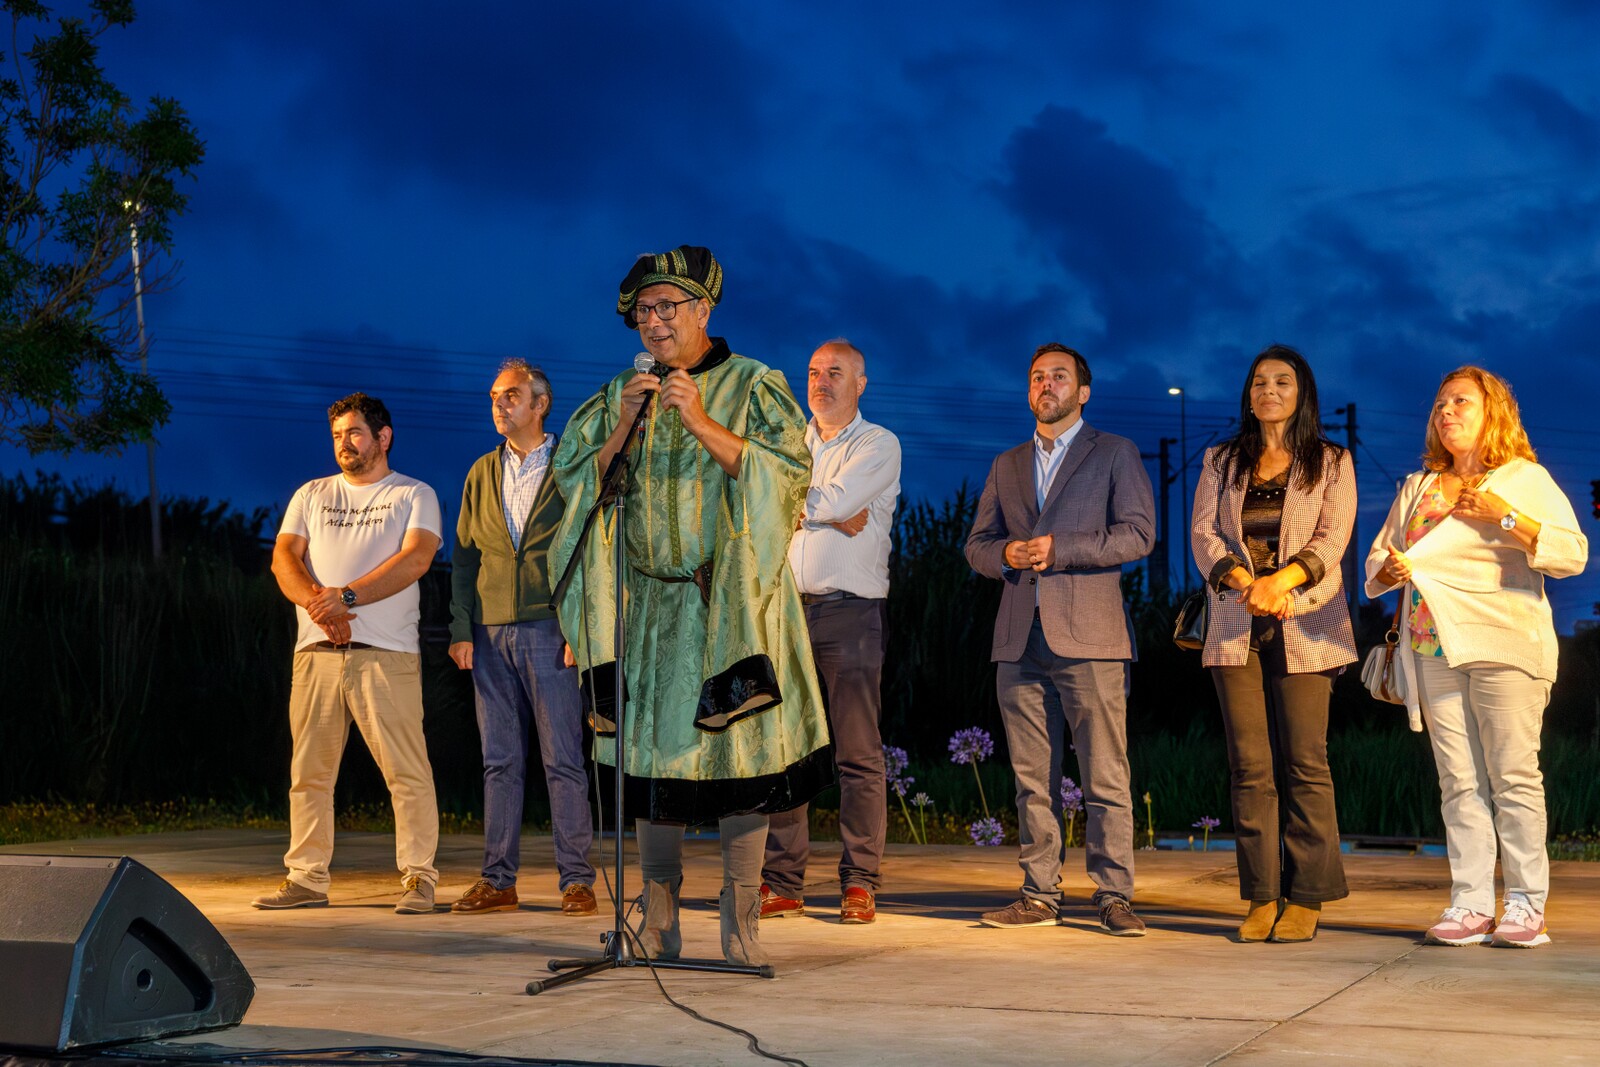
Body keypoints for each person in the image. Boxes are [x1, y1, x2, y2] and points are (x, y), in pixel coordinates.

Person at [550, 245, 831, 966]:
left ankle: (741, 920)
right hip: (650, 609)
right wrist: (624, 424)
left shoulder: (754, 384)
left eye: (666, 307)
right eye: (643, 311)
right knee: (651, 764)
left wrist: (701, 419)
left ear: (703, 309)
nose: (653, 322)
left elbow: (786, 480)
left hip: (727, 605)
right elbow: (578, 487)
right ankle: (660, 916)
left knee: (738, 761)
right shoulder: (621, 394)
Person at [1365, 366, 1586, 949]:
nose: (1446, 412)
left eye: (1461, 401)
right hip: (1430, 646)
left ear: (1493, 412)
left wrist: (1503, 516)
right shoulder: (1417, 486)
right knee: (1458, 781)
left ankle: (1526, 905)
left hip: (1503, 643)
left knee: (1513, 776)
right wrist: (1390, 569)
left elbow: (1571, 553)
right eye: (1440, 404)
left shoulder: (1523, 478)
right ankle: (1470, 903)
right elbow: (1377, 560)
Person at [964, 343, 1155, 936]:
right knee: (1031, 780)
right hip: (1018, 640)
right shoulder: (1007, 464)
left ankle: (1114, 895)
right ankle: (1039, 895)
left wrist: (1061, 549)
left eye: (1059, 376)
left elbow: (1139, 534)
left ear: (1083, 391)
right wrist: (1006, 554)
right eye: (1037, 377)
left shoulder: (1115, 452)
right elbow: (976, 546)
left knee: (1105, 776)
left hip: (1092, 638)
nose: (1046, 384)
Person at [1190, 344, 1356, 943]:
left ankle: (1307, 896)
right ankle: (1262, 895)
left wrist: (1281, 583)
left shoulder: (1331, 460)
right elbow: (1204, 535)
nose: (1269, 390)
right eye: (1260, 382)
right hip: (1236, 620)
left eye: (1282, 381)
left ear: (1301, 391)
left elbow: (1333, 538)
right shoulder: (1221, 459)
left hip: (1307, 619)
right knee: (1250, 766)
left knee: (1306, 761)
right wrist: (1247, 585)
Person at [254, 393, 443, 914]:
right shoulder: (311, 493)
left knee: (406, 772)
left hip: (386, 654)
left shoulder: (413, 493)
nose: (344, 443)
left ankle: (419, 879)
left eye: (355, 433)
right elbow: (283, 558)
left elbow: (417, 557)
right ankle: (306, 879)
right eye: (337, 434)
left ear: (383, 437)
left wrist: (349, 597)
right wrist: (322, 606)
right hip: (316, 651)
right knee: (309, 775)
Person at [447, 360, 597, 918]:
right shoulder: (481, 472)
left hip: (550, 628)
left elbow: (590, 550)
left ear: (540, 404)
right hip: (489, 635)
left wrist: (581, 627)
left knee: (564, 759)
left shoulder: (570, 465)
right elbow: (464, 558)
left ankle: (576, 880)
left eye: (511, 395)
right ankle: (498, 880)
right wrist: (461, 628)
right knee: (499, 761)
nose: (499, 404)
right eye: (494, 396)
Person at [761, 340, 901, 925]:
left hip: (850, 614)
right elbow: (757, 501)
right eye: (814, 372)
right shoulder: (787, 444)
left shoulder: (878, 443)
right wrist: (821, 511)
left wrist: (799, 505)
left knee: (857, 753)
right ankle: (782, 883)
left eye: (835, 372)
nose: (820, 381)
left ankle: (859, 882)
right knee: (785, 751)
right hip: (784, 613)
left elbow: (833, 499)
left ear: (860, 383)